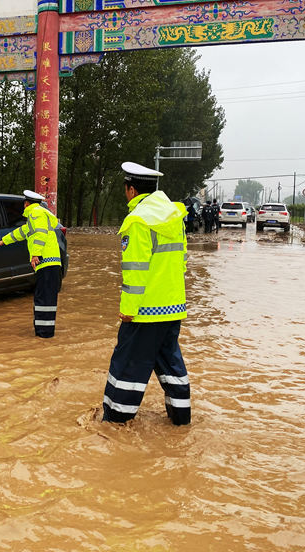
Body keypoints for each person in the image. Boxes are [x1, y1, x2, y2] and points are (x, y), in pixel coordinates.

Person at [101, 162, 190, 426]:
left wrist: (128, 309)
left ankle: (115, 422)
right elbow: (182, 261)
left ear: (131, 190)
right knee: (170, 364)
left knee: (127, 365)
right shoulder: (175, 217)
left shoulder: (137, 220)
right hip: (173, 307)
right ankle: (181, 420)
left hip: (144, 311)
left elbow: (135, 272)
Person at [0, 190, 62, 338]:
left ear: (27, 204)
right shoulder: (37, 215)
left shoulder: (35, 213)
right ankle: (43, 332)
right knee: (44, 297)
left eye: (24, 204)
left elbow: (39, 234)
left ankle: (44, 334)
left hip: (46, 262)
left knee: (44, 298)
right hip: (48, 263)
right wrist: (4, 240)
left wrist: (36, 254)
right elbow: (22, 232)